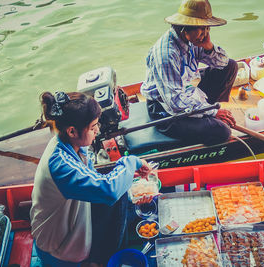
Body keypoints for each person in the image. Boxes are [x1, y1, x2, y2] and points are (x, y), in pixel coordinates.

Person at [30, 91, 152, 267]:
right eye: (93, 126)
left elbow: (98, 181)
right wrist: (132, 161)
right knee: (115, 192)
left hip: (72, 223)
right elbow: (108, 190)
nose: (98, 130)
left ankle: (99, 257)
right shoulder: (61, 165)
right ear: (72, 131)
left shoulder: (72, 146)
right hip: (57, 247)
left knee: (122, 194)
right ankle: (97, 261)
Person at [140, 0, 238, 146]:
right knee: (222, 132)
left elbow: (222, 62)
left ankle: (207, 114)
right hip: (165, 111)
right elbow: (175, 103)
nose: (205, 34)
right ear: (185, 29)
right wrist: (212, 112)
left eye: (207, 28)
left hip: (187, 92)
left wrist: (209, 47)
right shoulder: (166, 55)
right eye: (202, 29)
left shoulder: (194, 40)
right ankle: (209, 117)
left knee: (230, 66)